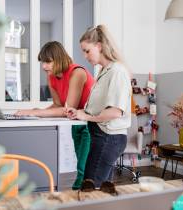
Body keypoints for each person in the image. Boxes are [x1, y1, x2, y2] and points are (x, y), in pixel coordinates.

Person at [15, 41, 94, 190]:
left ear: (59, 59)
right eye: (42, 62)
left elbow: (67, 109)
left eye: (48, 62)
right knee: (81, 167)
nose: (44, 66)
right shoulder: (51, 77)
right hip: (76, 123)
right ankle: (83, 198)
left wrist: (35, 112)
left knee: (84, 171)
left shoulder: (77, 73)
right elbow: (58, 105)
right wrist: (36, 111)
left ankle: (82, 198)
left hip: (91, 123)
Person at [66, 25, 132, 190]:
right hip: (101, 136)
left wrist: (86, 117)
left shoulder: (117, 71)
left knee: (90, 188)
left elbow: (115, 112)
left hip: (109, 138)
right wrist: (80, 112)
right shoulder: (105, 71)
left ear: (99, 46)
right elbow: (98, 108)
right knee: (102, 189)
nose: (85, 56)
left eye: (87, 51)